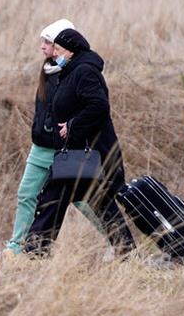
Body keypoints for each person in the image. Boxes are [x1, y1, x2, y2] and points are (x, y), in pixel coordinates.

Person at [24, 28, 135, 256]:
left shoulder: (84, 71)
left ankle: (34, 251)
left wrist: (72, 125)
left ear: (71, 50)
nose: (53, 52)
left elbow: (99, 106)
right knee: (70, 200)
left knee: (64, 199)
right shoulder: (71, 70)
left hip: (86, 152)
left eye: (58, 48)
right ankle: (35, 251)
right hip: (74, 154)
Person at [0, 19, 71, 260]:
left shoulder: (74, 72)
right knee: (26, 193)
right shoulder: (48, 70)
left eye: (48, 42)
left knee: (85, 202)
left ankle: (118, 245)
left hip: (65, 149)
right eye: (43, 42)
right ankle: (15, 248)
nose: (42, 47)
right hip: (40, 147)